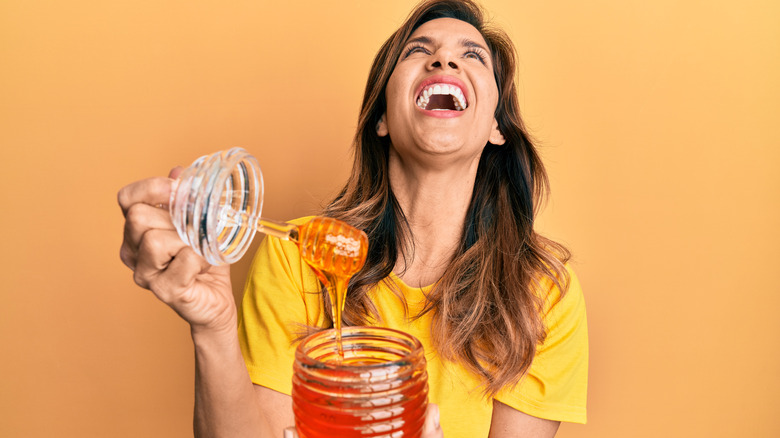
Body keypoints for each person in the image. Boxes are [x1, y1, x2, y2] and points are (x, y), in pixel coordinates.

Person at [117, 0, 588, 437]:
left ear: (496, 128)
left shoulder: (542, 293)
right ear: (381, 115)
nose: (444, 61)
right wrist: (212, 328)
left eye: (473, 56)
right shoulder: (295, 256)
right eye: (419, 50)